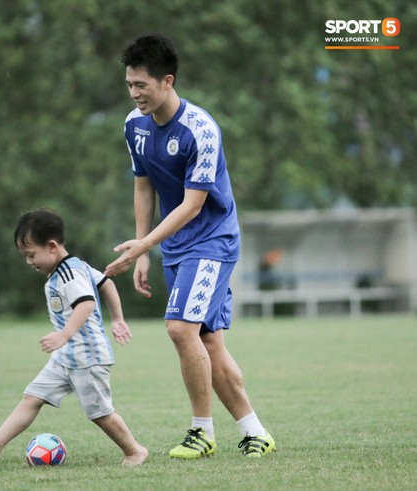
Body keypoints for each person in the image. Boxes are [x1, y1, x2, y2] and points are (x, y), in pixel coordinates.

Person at [105, 33, 276, 459]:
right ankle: (257, 433)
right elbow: (143, 185)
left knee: (180, 328)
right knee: (208, 341)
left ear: (167, 81)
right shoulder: (134, 126)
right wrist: (144, 250)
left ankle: (202, 432)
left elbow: (193, 204)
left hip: (213, 240)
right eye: (129, 84)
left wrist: (144, 242)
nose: (134, 93)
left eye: (141, 84)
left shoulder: (201, 129)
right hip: (176, 245)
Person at [0, 208, 148, 466]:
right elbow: (106, 283)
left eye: (30, 254)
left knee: (99, 413)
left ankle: (134, 450)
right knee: (33, 397)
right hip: (66, 356)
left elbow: (86, 304)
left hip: (87, 356)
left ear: (51, 246)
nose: (28, 261)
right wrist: (116, 319)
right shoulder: (76, 267)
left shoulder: (69, 274)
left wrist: (65, 334)